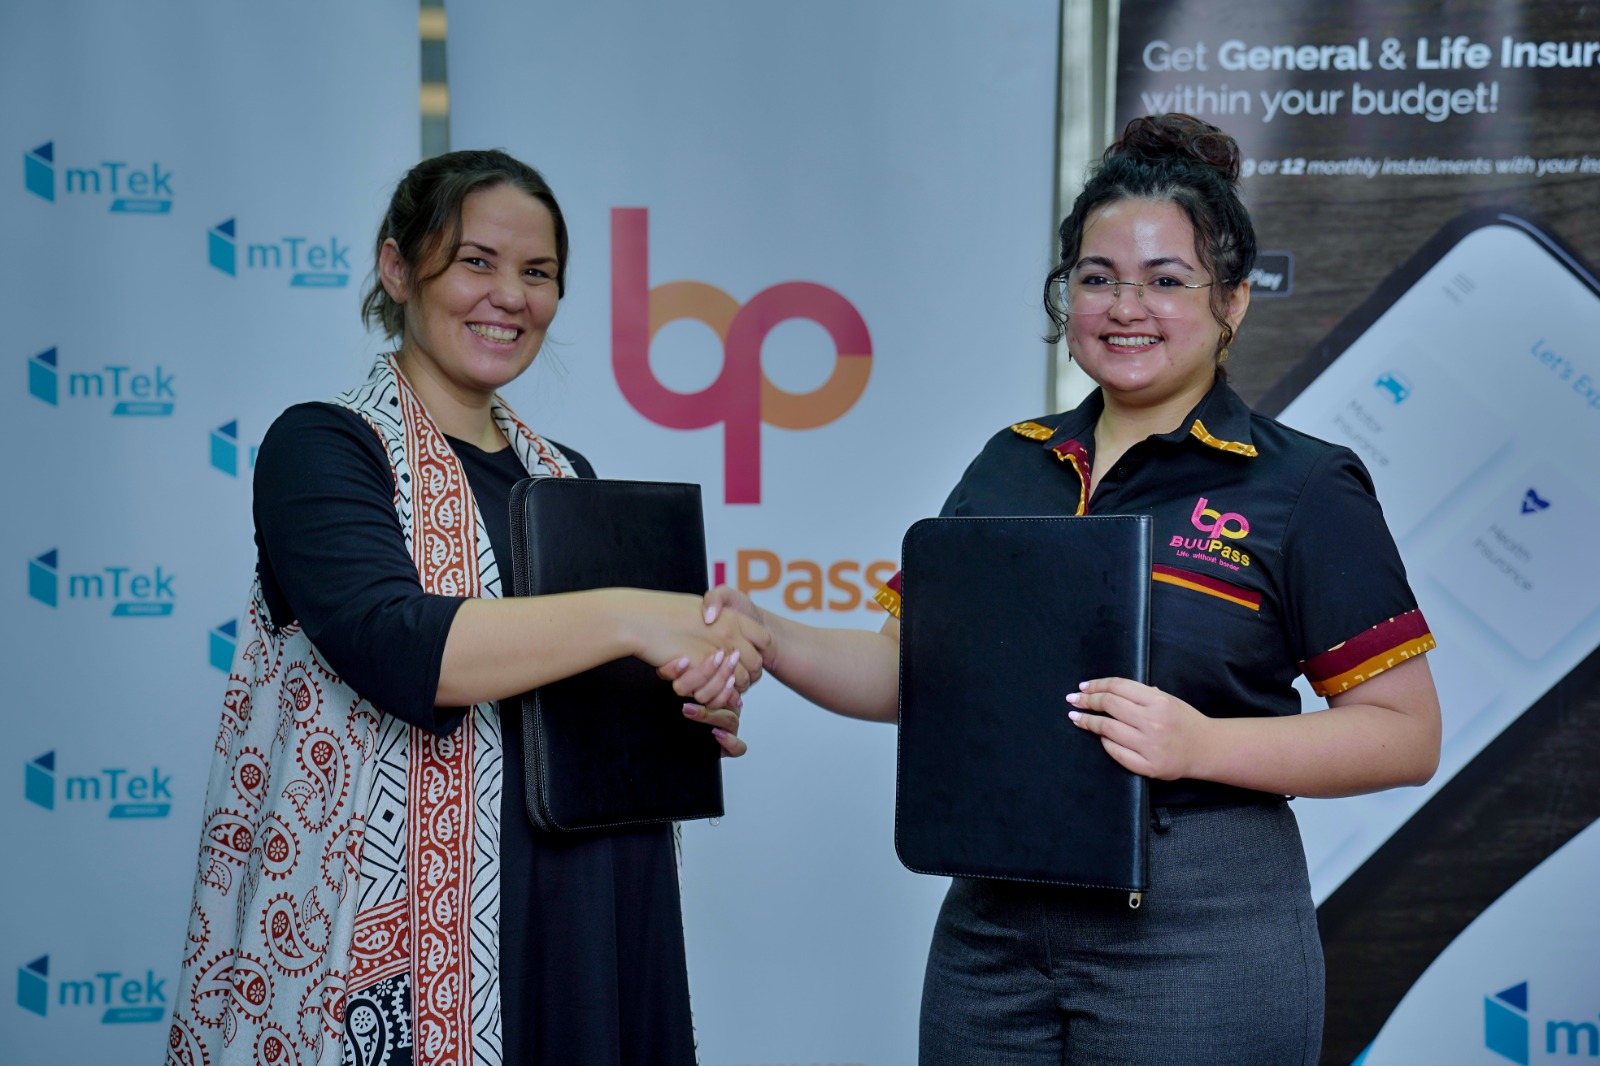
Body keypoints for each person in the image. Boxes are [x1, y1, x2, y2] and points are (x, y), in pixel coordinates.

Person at [682, 114, 1442, 1064]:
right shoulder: (1012, 464)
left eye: (1167, 280)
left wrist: (1200, 744)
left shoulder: (1301, 486)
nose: (1126, 307)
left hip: (1199, 929)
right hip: (993, 925)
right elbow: (906, 671)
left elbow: (1405, 733)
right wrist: (770, 635)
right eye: (1097, 278)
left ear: (1234, 302)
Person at [167, 149, 766, 1066]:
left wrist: (691, 694)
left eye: (538, 273)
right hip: (410, 921)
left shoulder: (567, 477)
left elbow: (600, 685)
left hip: (594, 897)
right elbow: (399, 644)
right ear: (398, 268)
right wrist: (634, 617)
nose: (510, 297)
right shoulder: (324, 447)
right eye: (475, 262)